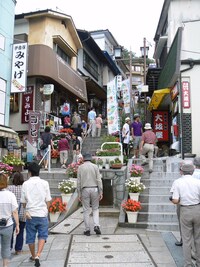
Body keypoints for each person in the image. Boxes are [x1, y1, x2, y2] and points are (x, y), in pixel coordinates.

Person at [21, 162, 52, 267]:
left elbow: (23, 202)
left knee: (30, 236)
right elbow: (48, 200)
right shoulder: (45, 183)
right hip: (42, 213)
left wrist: (27, 209)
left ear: (29, 172)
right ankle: (38, 254)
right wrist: (46, 210)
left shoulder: (25, 184)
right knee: (43, 235)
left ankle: (33, 256)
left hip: (31, 214)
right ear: (39, 172)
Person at [171, 161, 200, 267]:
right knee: (198, 238)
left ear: (182, 171)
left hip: (185, 210)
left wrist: (179, 201)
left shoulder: (177, 182)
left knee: (186, 239)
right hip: (197, 209)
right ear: (192, 172)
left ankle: (188, 264)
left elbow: (175, 200)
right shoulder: (198, 182)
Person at [77, 153, 103, 236]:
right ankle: (96, 226)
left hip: (85, 189)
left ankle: (87, 229)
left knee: (86, 209)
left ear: (84, 159)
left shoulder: (80, 167)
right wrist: (100, 191)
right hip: (95, 188)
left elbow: (78, 182)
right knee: (95, 208)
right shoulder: (95, 166)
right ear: (91, 159)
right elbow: (99, 180)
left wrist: (79, 193)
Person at [0, 171, 19, 267]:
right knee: (6, 247)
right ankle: (5, 265)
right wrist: (18, 225)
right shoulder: (10, 195)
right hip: (8, 225)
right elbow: (15, 211)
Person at [8, 172, 26, 255]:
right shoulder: (24, 188)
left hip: (11, 213)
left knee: (10, 232)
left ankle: (9, 247)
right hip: (22, 212)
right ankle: (18, 249)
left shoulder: (9, 188)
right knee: (21, 231)